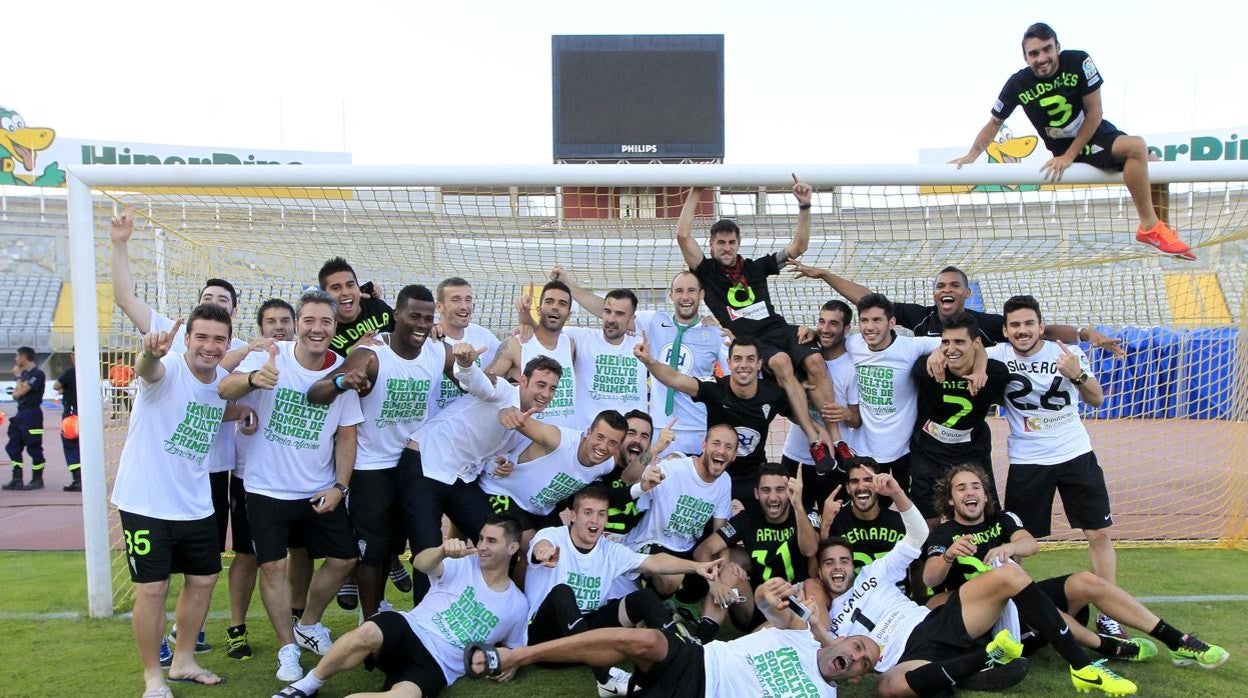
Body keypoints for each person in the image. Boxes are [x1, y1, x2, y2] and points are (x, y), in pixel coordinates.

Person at [810, 473, 1137, 697]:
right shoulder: (822, 619)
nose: (837, 568)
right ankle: (984, 660)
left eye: (843, 561)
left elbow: (918, 537)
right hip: (909, 657)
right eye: (829, 563)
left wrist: (896, 493)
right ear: (819, 574)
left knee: (1009, 574)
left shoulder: (873, 573)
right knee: (888, 689)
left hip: (937, 624)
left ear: (853, 565)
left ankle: (1081, 666)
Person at [923, 464, 1229, 670]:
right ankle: (1109, 648)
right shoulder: (944, 534)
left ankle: (1176, 640)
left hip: (1023, 599)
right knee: (1038, 604)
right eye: (960, 488)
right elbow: (930, 577)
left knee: (1086, 580)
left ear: (985, 494)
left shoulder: (1003, 519)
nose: (970, 492)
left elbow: (1031, 543)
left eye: (975, 486)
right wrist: (948, 555)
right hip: (987, 619)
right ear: (950, 500)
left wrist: (1010, 547)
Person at [951, 22, 1195, 260]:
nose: (1041, 57)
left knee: (1154, 164)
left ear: (1057, 46)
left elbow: (1094, 112)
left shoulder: (1079, 61)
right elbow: (994, 122)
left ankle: (1161, 231)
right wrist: (972, 155)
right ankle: (1150, 227)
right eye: (1033, 53)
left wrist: (1069, 155)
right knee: (1136, 146)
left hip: (1093, 133)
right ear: (1025, 58)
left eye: (1047, 49)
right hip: (1064, 145)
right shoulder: (1017, 83)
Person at [220, 289, 364, 681]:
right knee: (271, 567)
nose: (317, 329)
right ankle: (287, 649)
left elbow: (347, 435)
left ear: (336, 327)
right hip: (266, 488)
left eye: (326, 322)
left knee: (345, 558)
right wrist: (252, 379)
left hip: (318, 487)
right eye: (310, 321)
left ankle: (308, 624)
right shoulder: (271, 357)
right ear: (298, 323)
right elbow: (223, 388)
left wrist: (340, 486)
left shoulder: (340, 370)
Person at [110, 305, 247, 695]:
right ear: (186, 339)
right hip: (146, 502)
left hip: (195, 500)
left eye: (218, 339)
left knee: (203, 579)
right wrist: (150, 353)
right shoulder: (167, 368)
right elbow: (148, 371)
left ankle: (183, 661)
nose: (210, 346)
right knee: (153, 589)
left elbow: (205, 406)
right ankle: (153, 675)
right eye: (201, 337)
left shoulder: (220, 379)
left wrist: (239, 414)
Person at [466, 576, 881, 697]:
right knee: (647, 641)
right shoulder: (804, 636)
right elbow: (768, 606)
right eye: (858, 646)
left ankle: (625, 688)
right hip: (699, 660)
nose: (857, 657)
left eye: (864, 662)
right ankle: (517, 655)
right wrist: (767, 593)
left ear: (857, 677)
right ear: (842, 640)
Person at [307, 284, 452, 619]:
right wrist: (344, 382)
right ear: (396, 315)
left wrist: (485, 375)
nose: (421, 323)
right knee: (372, 551)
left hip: (413, 463)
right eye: (414, 315)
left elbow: (470, 378)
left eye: (428, 318)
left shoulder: (437, 351)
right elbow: (317, 392)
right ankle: (370, 617)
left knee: (404, 544)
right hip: (372, 466)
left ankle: (421, 616)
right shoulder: (371, 354)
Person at [677, 181, 844, 459]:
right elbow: (683, 235)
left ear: (738, 244)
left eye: (731, 242)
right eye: (721, 243)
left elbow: (798, 246)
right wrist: (695, 190)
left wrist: (804, 205)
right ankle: (814, 438)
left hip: (780, 329)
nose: (726, 248)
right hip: (753, 342)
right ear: (712, 245)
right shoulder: (706, 271)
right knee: (780, 362)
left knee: (815, 361)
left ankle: (837, 440)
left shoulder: (755, 267)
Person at [988, 294, 1124, 637]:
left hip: (1075, 453)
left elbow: (1096, 398)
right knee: (1020, 540)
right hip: (1027, 459)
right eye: (1015, 325)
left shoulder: (1066, 354)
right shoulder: (994, 357)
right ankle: (1010, 615)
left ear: (1040, 326)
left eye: (1028, 324)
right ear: (1005, 330)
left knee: (1098, 532)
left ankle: (1110, 614)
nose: (1022, 331)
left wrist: (1077, 375)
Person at [271, 518, 529, 698]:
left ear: (512, 547)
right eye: (481, 538)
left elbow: (517, 647)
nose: (482, 545)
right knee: (367, 631)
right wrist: (441, 550)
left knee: (405, 695)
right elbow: (420, 564)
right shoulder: (462, 563)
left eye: (491, 541)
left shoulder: (517, 604)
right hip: (411, 628)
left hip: (438, 665)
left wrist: (514, 664)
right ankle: (307, 685)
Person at [523, 484, 724, 695]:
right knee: (562, 592)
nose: (595, 521)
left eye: (601, 514)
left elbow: (654, 562)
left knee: (644, 598)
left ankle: (684, 660)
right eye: (588, 513)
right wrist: (543, 552)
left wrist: (697, 567)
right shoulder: (554, 537)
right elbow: (541, 544)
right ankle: (606, 678)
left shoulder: (609, 550)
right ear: (573, 516)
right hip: (549, 644)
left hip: (590, 635)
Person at [403, 347, 563, 604]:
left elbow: (487, 454)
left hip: (460, 479)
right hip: (424, 462)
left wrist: (500, 464)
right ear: (523, 381)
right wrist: (466, 365)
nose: (545, 394)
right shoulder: (502, 390)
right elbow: (479, 382)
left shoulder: (529, 424)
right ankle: (422, 622)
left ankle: (484, 606)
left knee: (501, 541)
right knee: (428, 549)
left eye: (552, 388)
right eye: (540, 385)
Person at [636, 334, 832, 501]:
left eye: (750, 359)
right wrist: (649, 361)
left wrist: (818, 429)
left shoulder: (773, 394)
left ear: (759, 364)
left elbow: (796, 414)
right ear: (729, 363)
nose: (743, 365)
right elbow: (674, 378)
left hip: (752, 475)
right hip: (715, 471)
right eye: (737, 359)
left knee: (777, 499)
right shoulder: (715, 389)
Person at [553, 266, 725, 455]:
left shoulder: (716, 335)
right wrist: (568, 284)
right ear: (671, 296)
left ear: (701, 295)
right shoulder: (654, 321)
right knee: (654, 479)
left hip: (699, 427)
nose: (685, 297)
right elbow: (611, 310)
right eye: (679, 291)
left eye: (691, 290)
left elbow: (733, 383)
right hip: (660, 427)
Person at [788, 262, 1125, 356]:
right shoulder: (920, 317)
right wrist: (826, 275)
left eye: (953, 286)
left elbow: (1044, 330)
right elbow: (869, 299)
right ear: (934, 293)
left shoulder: (985, 323)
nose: (945, 290)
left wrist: (1084, 333)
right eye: (940, 286)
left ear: (965, 292)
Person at [223, 298, 299, 661]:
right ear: (261, 327)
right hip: (250, 477)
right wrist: (246, 395)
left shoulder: (308, 358)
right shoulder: (254, 358)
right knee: (248, 555)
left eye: (286, 320)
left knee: (301, 552)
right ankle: (237, 628)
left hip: (299, 480)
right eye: (271, 321)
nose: (279, 327)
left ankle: (299, 620)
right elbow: (219, 392)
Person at [843, 294, 983, 492]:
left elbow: (971, 346)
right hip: (864, 449)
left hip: (904, 451)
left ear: (891, 322)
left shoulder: (911, 346)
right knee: (866, 509)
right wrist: (812, 332)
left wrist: (974, 368)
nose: (869, 327)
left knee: (909, 509)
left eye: (877, 320)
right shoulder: (852, 344)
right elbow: (826, 340)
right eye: (864, 320)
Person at [693, 462, 817, 639]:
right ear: (756, 494)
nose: (773, 497)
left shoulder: (805, 514)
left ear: (790, 491)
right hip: (755, 606)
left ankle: (746, 647)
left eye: (780, 490)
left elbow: (810, 550)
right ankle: (702, 638)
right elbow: (703, 550)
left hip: (793, 607)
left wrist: (797, 505)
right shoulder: (748, 518)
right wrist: (716, 582)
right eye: (766, 490)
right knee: (729, 571)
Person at [908, 312, 1010, 521]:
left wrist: (981, 368)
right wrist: (938, 351)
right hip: (929, 451)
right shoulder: (925, 370)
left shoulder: (995, 374)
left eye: (959, 341)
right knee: (926, 521)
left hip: (972, 451)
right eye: (945, 342)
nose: (951, 348)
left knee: (986, 515)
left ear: (976, 343)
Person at [620, 425, 735, 595]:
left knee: (707, 582)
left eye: (728, 447)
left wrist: (724, 566)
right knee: (672, 577)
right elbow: (627, 478)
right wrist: (655, 449)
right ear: (704, 446)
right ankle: (648, 598)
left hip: (685, 549)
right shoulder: (675, 468)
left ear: (734, 456)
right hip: (650, 542)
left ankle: (665, 599)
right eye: (716, 443)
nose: (721, 451)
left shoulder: (724, 481)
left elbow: (720, 532)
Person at [781, 299, 862, 511]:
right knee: (794, 523)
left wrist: (844, 413)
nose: (825, 329)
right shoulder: (801, 357)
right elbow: (788, 410)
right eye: (821, 322)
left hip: (835, 460)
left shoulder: (852, 368)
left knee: (834, 525)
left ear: (847, 329)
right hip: (796, 456)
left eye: (833, 324)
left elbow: (856, 420)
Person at [486, 280, 579, 427]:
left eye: (562, 304)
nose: (555, 307)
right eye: (549, 301)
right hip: (526, 441)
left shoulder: (570, 345)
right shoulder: (516, 344)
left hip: (563, 440)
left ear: (569, 315)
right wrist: (506, 408)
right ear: (538, 309)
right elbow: (485, 385)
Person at [821, 459, 911, 596]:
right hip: (857, 604)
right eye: (854, 481)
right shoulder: (836, 522)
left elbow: (917, 568)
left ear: (878, 485)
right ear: (847, 488)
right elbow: (821, 566)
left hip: (897, 601)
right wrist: (825, 523)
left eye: (868, 480)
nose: (861, 486)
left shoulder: (899, 522)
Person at [431, 277, 501, 412]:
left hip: (470, 427)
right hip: (435, 428)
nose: (464, 306)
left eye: (468, 299)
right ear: (439, 306)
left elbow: (512, 355)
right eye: (456, 300)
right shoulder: (429, 337)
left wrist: (521, 330)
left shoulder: (483, 335)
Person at [318, 256, 394, 356]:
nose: (345, 292)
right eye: (336, 288)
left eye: (350, 285)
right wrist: (356, 353)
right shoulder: (324, 334)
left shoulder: (377, 307)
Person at [3, 346, 46, 491]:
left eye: (17, 356)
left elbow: (20, 392)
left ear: (23, 357)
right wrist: (20, 385)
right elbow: (15, 394)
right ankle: (17, 479)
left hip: (32, 414)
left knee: (34, 447)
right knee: (13, 447)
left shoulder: (37, 374)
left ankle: (37, 478)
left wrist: (18, 378)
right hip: (21, 413)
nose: (15, 359)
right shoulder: (26, 375)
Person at [54, 351, 80, 491]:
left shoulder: (71, 372)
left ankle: (78, 479)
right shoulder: (92, 371)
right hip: (87, 415)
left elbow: (56, 386)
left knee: (70, 444)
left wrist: (64, 388)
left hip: (71, 414)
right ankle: (88, 477)